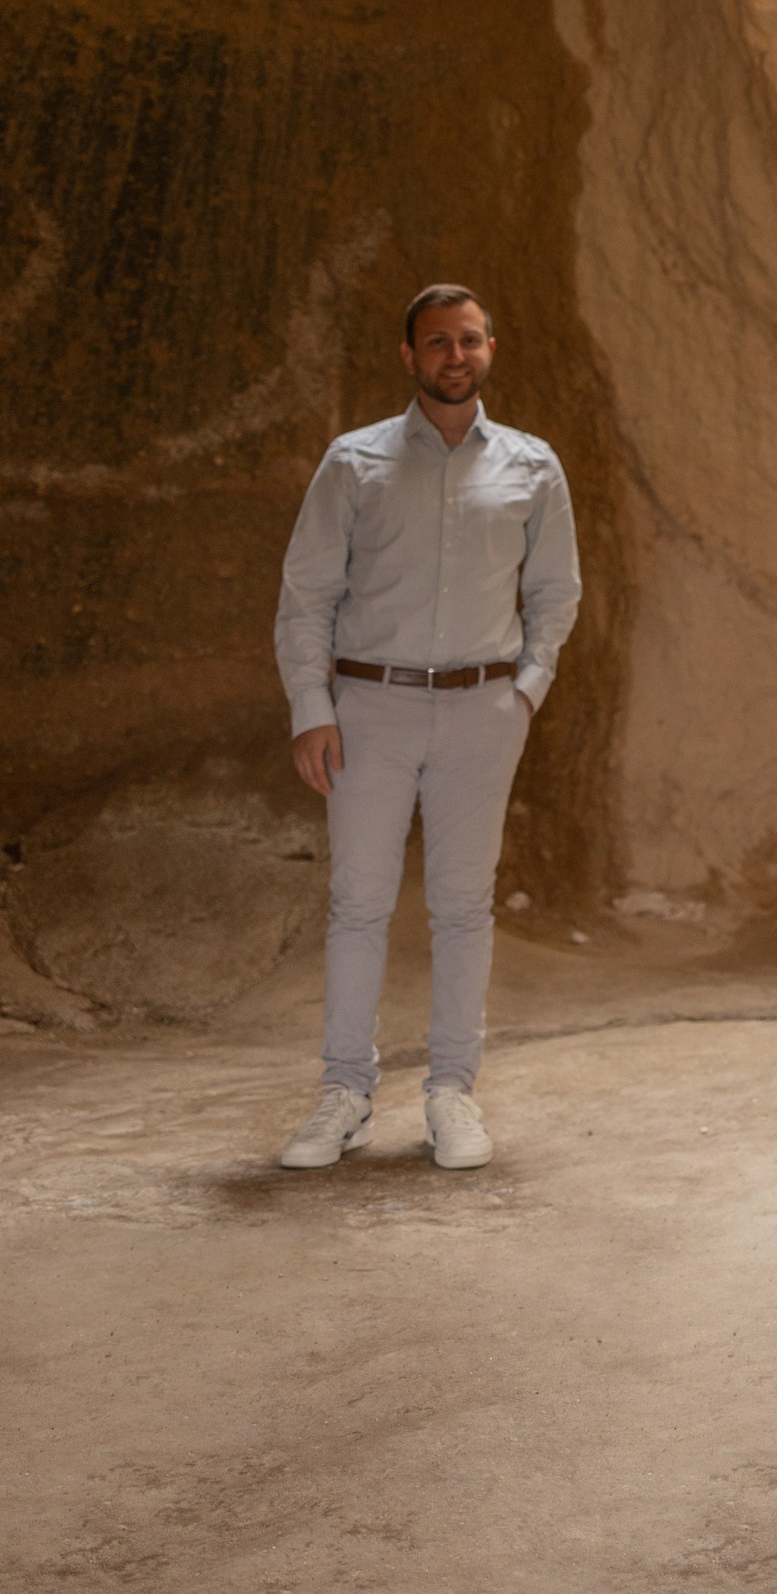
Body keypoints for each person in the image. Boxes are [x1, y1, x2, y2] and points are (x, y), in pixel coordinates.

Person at [272, 285, 580, 1173]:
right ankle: (345, 1095)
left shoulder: (533, 466)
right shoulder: (353, 462)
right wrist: (313, 710)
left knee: (462, 908)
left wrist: (525, 691)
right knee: (359, 904)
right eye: (437, 342)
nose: (455, 355)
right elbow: (308, 597)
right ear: (409, 357)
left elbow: (557, 591)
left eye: (470, 340)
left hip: (485, 710)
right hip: (370, 708)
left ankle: (451, 1093)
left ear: (491, 348)